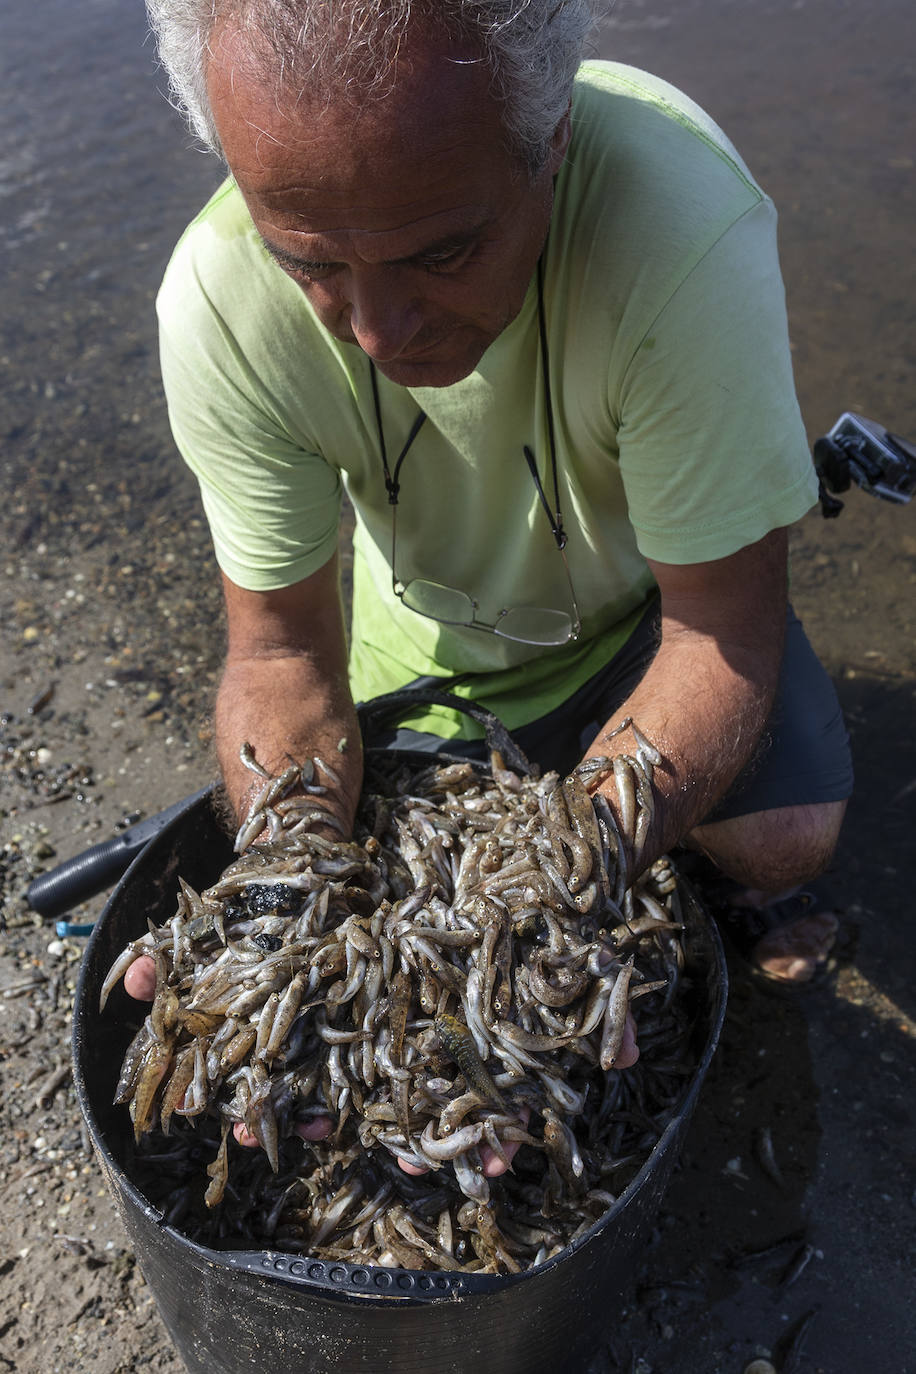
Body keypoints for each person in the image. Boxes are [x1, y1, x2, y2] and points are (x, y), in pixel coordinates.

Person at [124, 0, 852, 1159]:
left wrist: (562, 878)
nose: (375, 327)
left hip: (646, 625)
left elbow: (719, 633)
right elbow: (280, 652)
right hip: (424, 654)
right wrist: (284, 881)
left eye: (441, 250)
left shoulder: (677, 229)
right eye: (308, 261)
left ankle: (707, 887)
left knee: (786, 838)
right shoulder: (215, 297)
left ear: (550, 139)